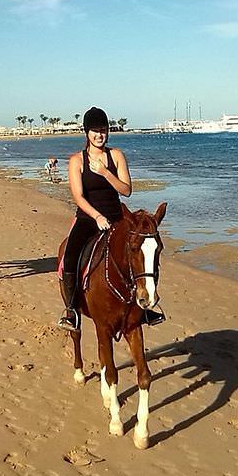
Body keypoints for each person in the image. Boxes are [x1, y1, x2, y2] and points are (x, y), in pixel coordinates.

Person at [57, 107, 164, 332]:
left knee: (140, 253)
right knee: (70, 256)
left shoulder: (116, 156)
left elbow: (126, 190)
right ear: (86, 132)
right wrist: (96, 216)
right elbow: (78, 196)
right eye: (95, 130)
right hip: (88, 218)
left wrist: (106, 173)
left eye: (103, 130)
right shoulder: (77, 161)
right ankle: (71, 311)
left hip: (117, 216)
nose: (100, 135)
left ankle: (145, 309)